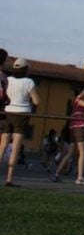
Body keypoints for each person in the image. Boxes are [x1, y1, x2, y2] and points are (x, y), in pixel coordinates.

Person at [1, 58, 40, 187]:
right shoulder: (29, 82)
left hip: (7, 112)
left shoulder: (8, 80)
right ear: (26, 69)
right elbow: (36, 101)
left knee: (2, 146)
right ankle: (9, 178)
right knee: (15, 148)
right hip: (22, 114)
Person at [53, 85, 84, 185]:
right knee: (82, 152)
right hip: (79, 126)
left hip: (72, 127)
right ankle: (80, 177)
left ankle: (56, 174)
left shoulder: (76, 102)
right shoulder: (79, 100)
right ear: (80, 92)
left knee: (70, 153)